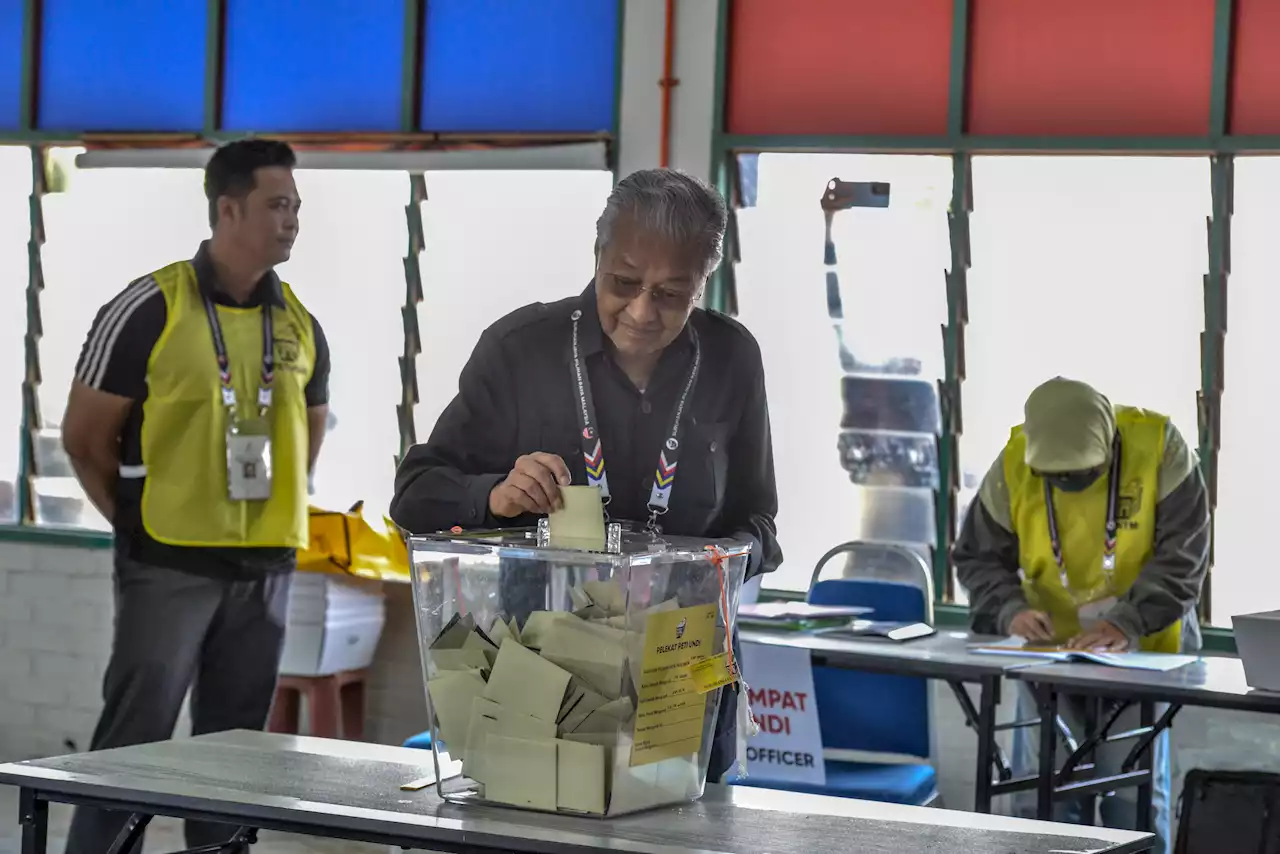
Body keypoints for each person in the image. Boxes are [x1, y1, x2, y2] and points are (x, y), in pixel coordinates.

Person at [390, 167, 782, 781]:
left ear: (705, 281)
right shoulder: (523, 348)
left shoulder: (731, 358)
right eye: (623, 282)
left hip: (678, 678)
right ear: (597, 255)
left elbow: (759, 521)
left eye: (672, 293)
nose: (642, 312)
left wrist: (719, 560)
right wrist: (494, 494)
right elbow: (414, 495)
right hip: (540, 686)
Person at [61, 139, 331, 852]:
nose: (293, 219)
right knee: (134, 742)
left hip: (266, 567)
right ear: (228, 208)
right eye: (278, 205)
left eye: (297, 205)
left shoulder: (299, 321)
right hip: (168, 565)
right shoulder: (149, 306)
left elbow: (310, 428)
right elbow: (86, 438)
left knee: (235, 753)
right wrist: (137, 529)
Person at [954, 377, 1209, 854]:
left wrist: (1126, 622)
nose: (1070, 484)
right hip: (1049, 656)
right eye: (1056, 475)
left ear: (1110, 444)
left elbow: (1184, 557)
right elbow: (977, 557)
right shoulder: (1013, 461)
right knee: (1039, 801)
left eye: (1083, 472)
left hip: (1142, 652)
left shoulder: (1160, 448)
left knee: (1131, 807)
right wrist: (1010, 611)